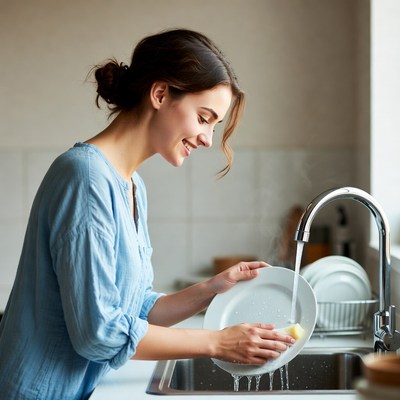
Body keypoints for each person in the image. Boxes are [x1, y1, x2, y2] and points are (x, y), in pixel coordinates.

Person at [0, 28, 295, 399]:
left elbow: (135, 309)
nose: (207, 138)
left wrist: (212, 289)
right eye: (204, 118)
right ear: (160, 94)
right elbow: (100, 333)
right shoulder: (85, 177)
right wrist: (217, 343)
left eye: (214, 126)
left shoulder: (132, 185)